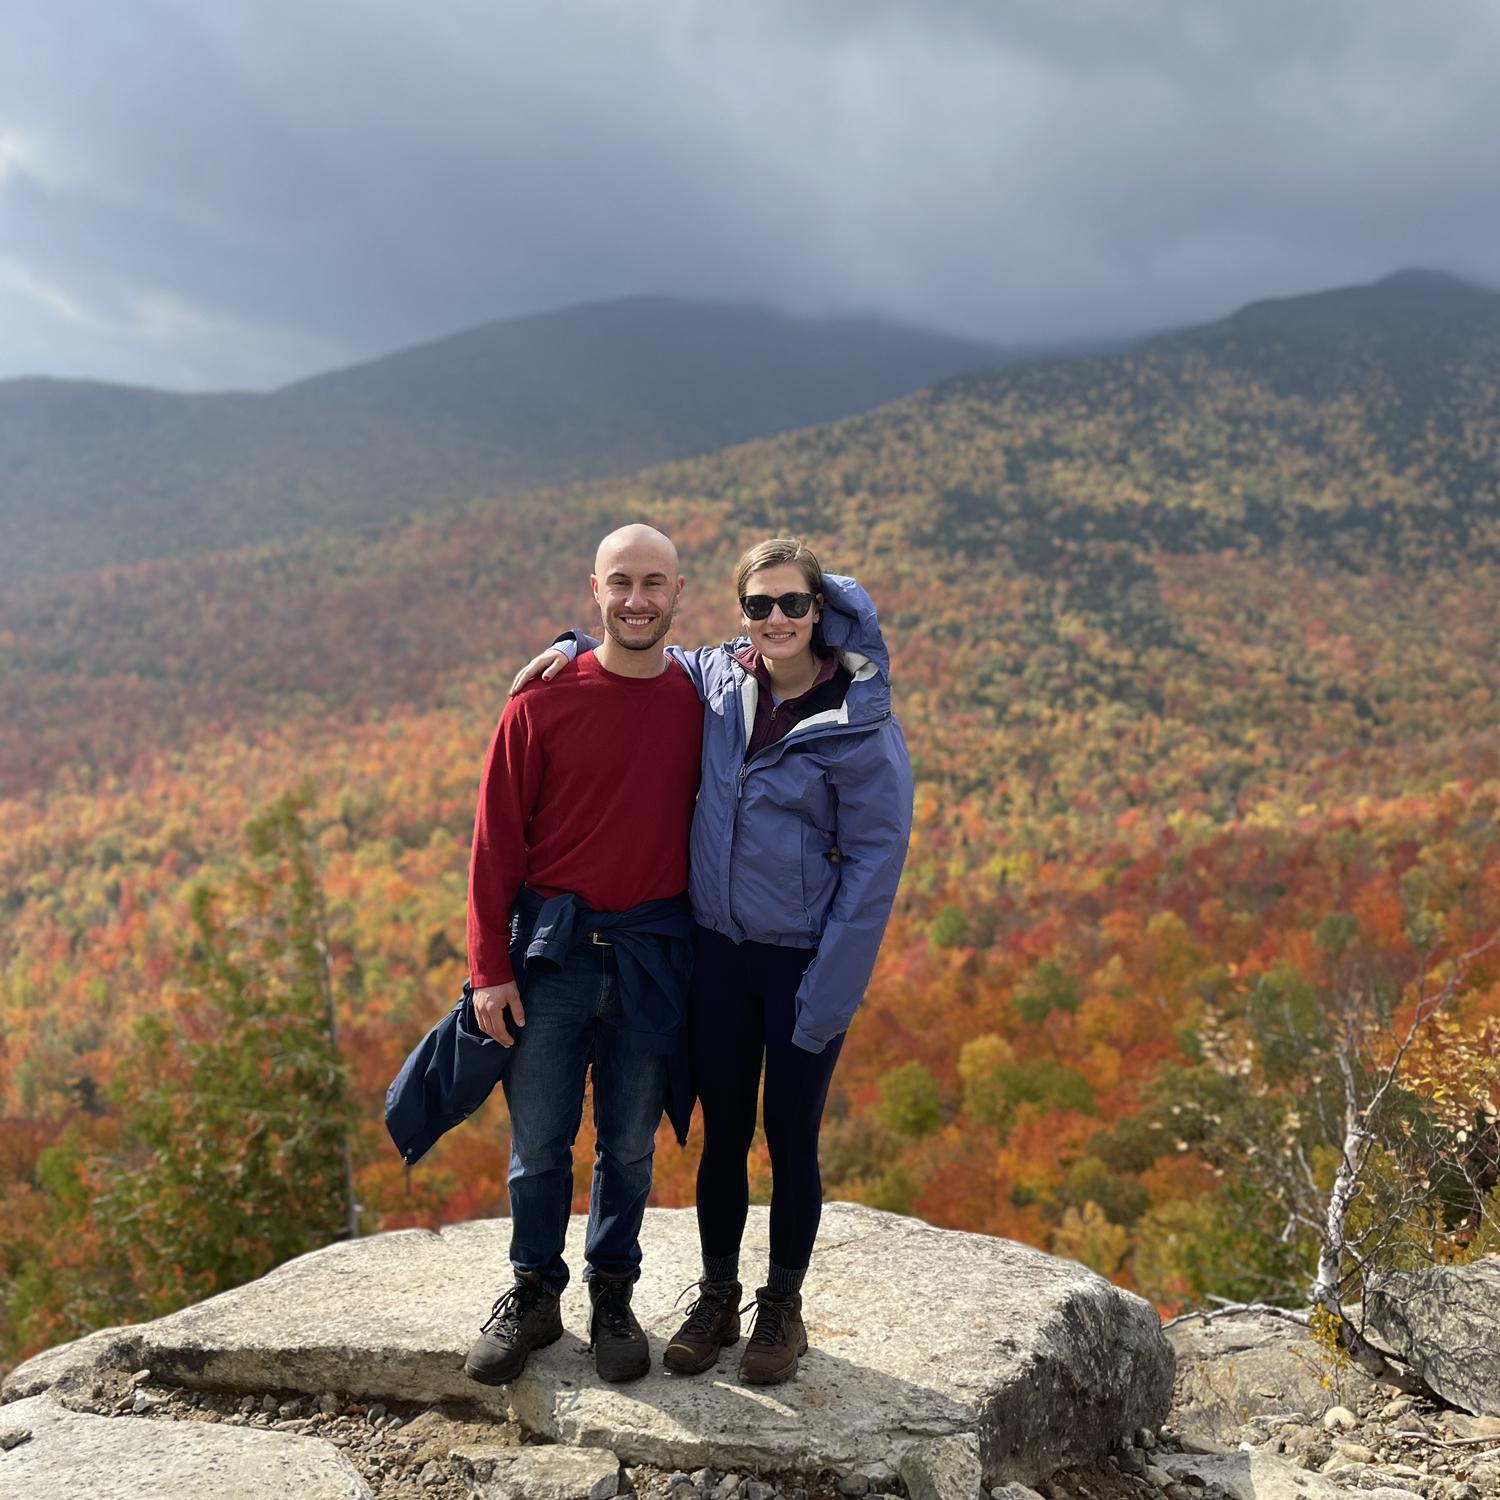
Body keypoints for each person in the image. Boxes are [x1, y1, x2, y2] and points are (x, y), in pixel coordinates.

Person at [514, 536, 913, 1385]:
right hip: (717, 956)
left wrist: (825, 996)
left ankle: (783, 1309)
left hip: (803, 964)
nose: (775, 619)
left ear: (821, 613)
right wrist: (569, 645)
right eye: (758, 605)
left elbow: (875, 871)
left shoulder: (859, 724)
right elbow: (640, 642)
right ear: (739, 614)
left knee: (789, 1137)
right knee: (724, 1137)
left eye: (793, 604)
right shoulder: (722, 681)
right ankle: (721, 1296)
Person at [462, 523, 704, 1387]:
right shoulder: (541, 704)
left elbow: (808, 643)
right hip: (552, 961)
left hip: (649, 956)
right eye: (620, 584)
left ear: (679, 593)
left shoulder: (704, 696)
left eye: (654, 583)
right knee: (539, 1143)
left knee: (630, 1146)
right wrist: (488, 968)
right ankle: (534, 1293)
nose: (637, 600)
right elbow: (495, 845)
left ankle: (612, 1292)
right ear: (593, 590)